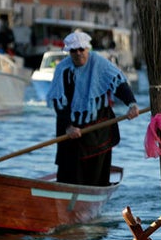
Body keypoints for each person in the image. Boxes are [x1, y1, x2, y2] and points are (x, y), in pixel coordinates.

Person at [48, 31, 139, 185]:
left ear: (87, 49)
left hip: (98, 126)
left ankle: (96, 192)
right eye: (73, 51)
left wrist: (132, 104)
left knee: (97, 171)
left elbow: (119, 83)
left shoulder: (100, 63)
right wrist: (68, 127)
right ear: (69, 52)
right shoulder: (62, 69)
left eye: (81, 50)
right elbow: (58, 101)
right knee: (69, 169)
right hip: (70, 126)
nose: (78, 54)